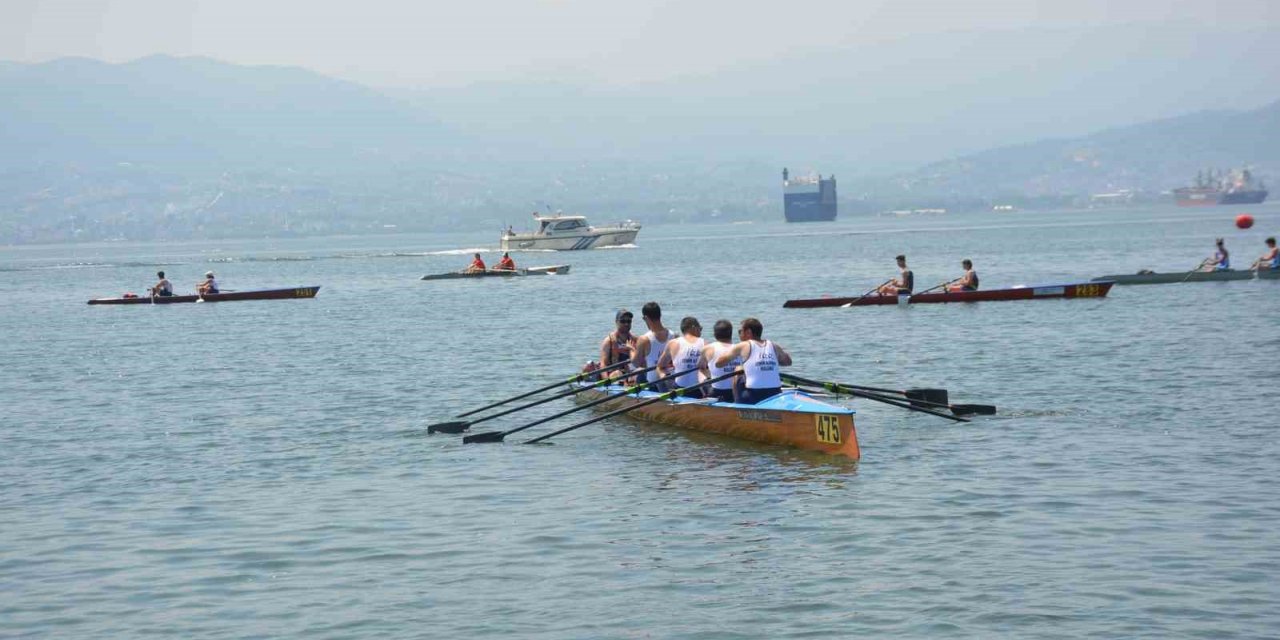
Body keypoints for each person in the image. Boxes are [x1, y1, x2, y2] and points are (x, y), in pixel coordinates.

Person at [714, 317, 792, 405]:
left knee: (738, 369)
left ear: (748, 332)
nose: (739, 334)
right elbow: (788, 362)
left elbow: (718, 363)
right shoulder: (774, 346)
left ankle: (737, 403)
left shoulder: (743, 345)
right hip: (775, 394)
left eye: (740, 331)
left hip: (753, 396)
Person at [656, 317, 706, 398]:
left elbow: (660, 366)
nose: (700, 332)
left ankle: (667, 398)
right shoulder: (705, 344)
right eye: (700, 329)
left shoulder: (673, 343)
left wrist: (664, 376)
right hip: (698, 391)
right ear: (693, 327)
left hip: (678, 389)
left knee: (660, 377)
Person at [631, 302, 673, 393]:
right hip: (671, 382)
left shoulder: (644, 339)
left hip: (653, 385)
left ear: (646, 318)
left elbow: (635, 363)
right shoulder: (674, 336)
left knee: (638, 373)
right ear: (660, 315)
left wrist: (631, 350)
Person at [701, 319, 741, 403]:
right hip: (737, 391)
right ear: (731, 333)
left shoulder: (707, 348)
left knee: (699, 372)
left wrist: (710, 376)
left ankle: (702, 396)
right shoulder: (740, 348)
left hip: (717, 392)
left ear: (715, 334)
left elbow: (701, 368)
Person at [598, 309, 637, 381]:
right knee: (618, 373)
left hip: (630, 375)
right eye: (623, 321)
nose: (626, 324)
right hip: (614, 376)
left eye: (629, 321)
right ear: (616, 322)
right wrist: (606, 380)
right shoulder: (608, 341)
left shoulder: (635, 340)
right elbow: (603, 364)